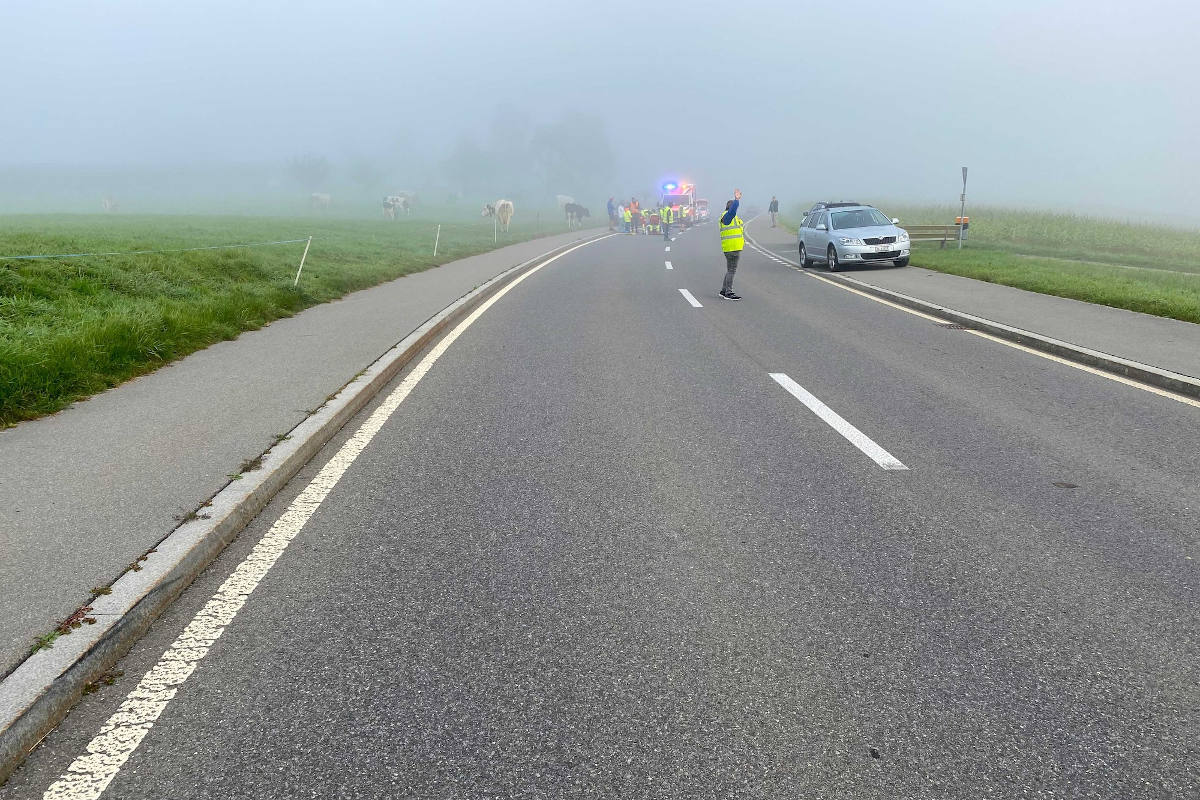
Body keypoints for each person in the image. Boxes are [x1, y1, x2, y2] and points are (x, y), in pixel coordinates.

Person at [718, 189, 744, 300]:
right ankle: (729, 292)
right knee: (732, 270)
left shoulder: (729, 217)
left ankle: (724, 291)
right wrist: (737, 200)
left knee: (730, 270)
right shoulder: (727, 217)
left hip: (732, 247)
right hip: (732, 248)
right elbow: (732, 212)